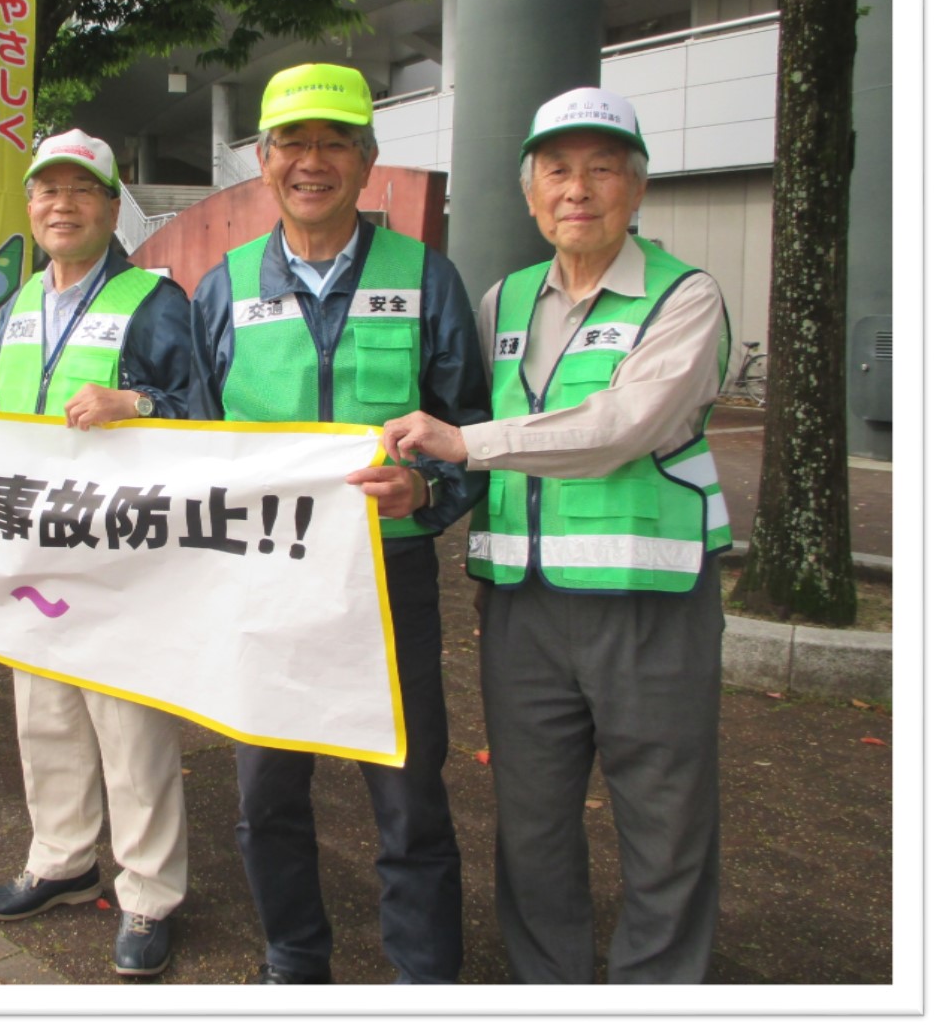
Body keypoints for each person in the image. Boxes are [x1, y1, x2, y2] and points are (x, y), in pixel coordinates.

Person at [384, 87, 732, 983]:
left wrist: (470, 443)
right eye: (557, 171)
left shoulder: (683, 297)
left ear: (638, 186)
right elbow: (447, 417)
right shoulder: (501, 300)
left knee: (664, 822)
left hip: (648, 602)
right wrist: (418, 474)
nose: (578, 189)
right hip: (522, 610)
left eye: (602, 168)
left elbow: (623, 423)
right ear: (532, 194)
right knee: (530, 820)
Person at [189, 64, 490, 984]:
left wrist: (428, 493)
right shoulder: (223, 287)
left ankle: (426, 978)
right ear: (263, 161)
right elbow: (192, 438)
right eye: (292, 144)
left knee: (408, 794)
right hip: (265, 575)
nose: (310, 162)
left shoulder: (426, 277)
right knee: (268, 793)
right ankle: (295, 963)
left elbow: (467, 427)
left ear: (366, 159)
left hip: (387, 580)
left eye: (333, 143)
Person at [0, 129, 191, 978]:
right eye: (47, 192)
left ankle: (149, 893)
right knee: (45, 711)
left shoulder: (155, 298)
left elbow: (199, 410)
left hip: (120, 550)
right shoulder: (23, 300)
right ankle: (63, 860)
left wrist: (135, 400)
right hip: (34, 541)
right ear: (30, 208)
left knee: (130, 723)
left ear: (112, 206)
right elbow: (24, 398)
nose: (62, 205)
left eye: (81, 191)